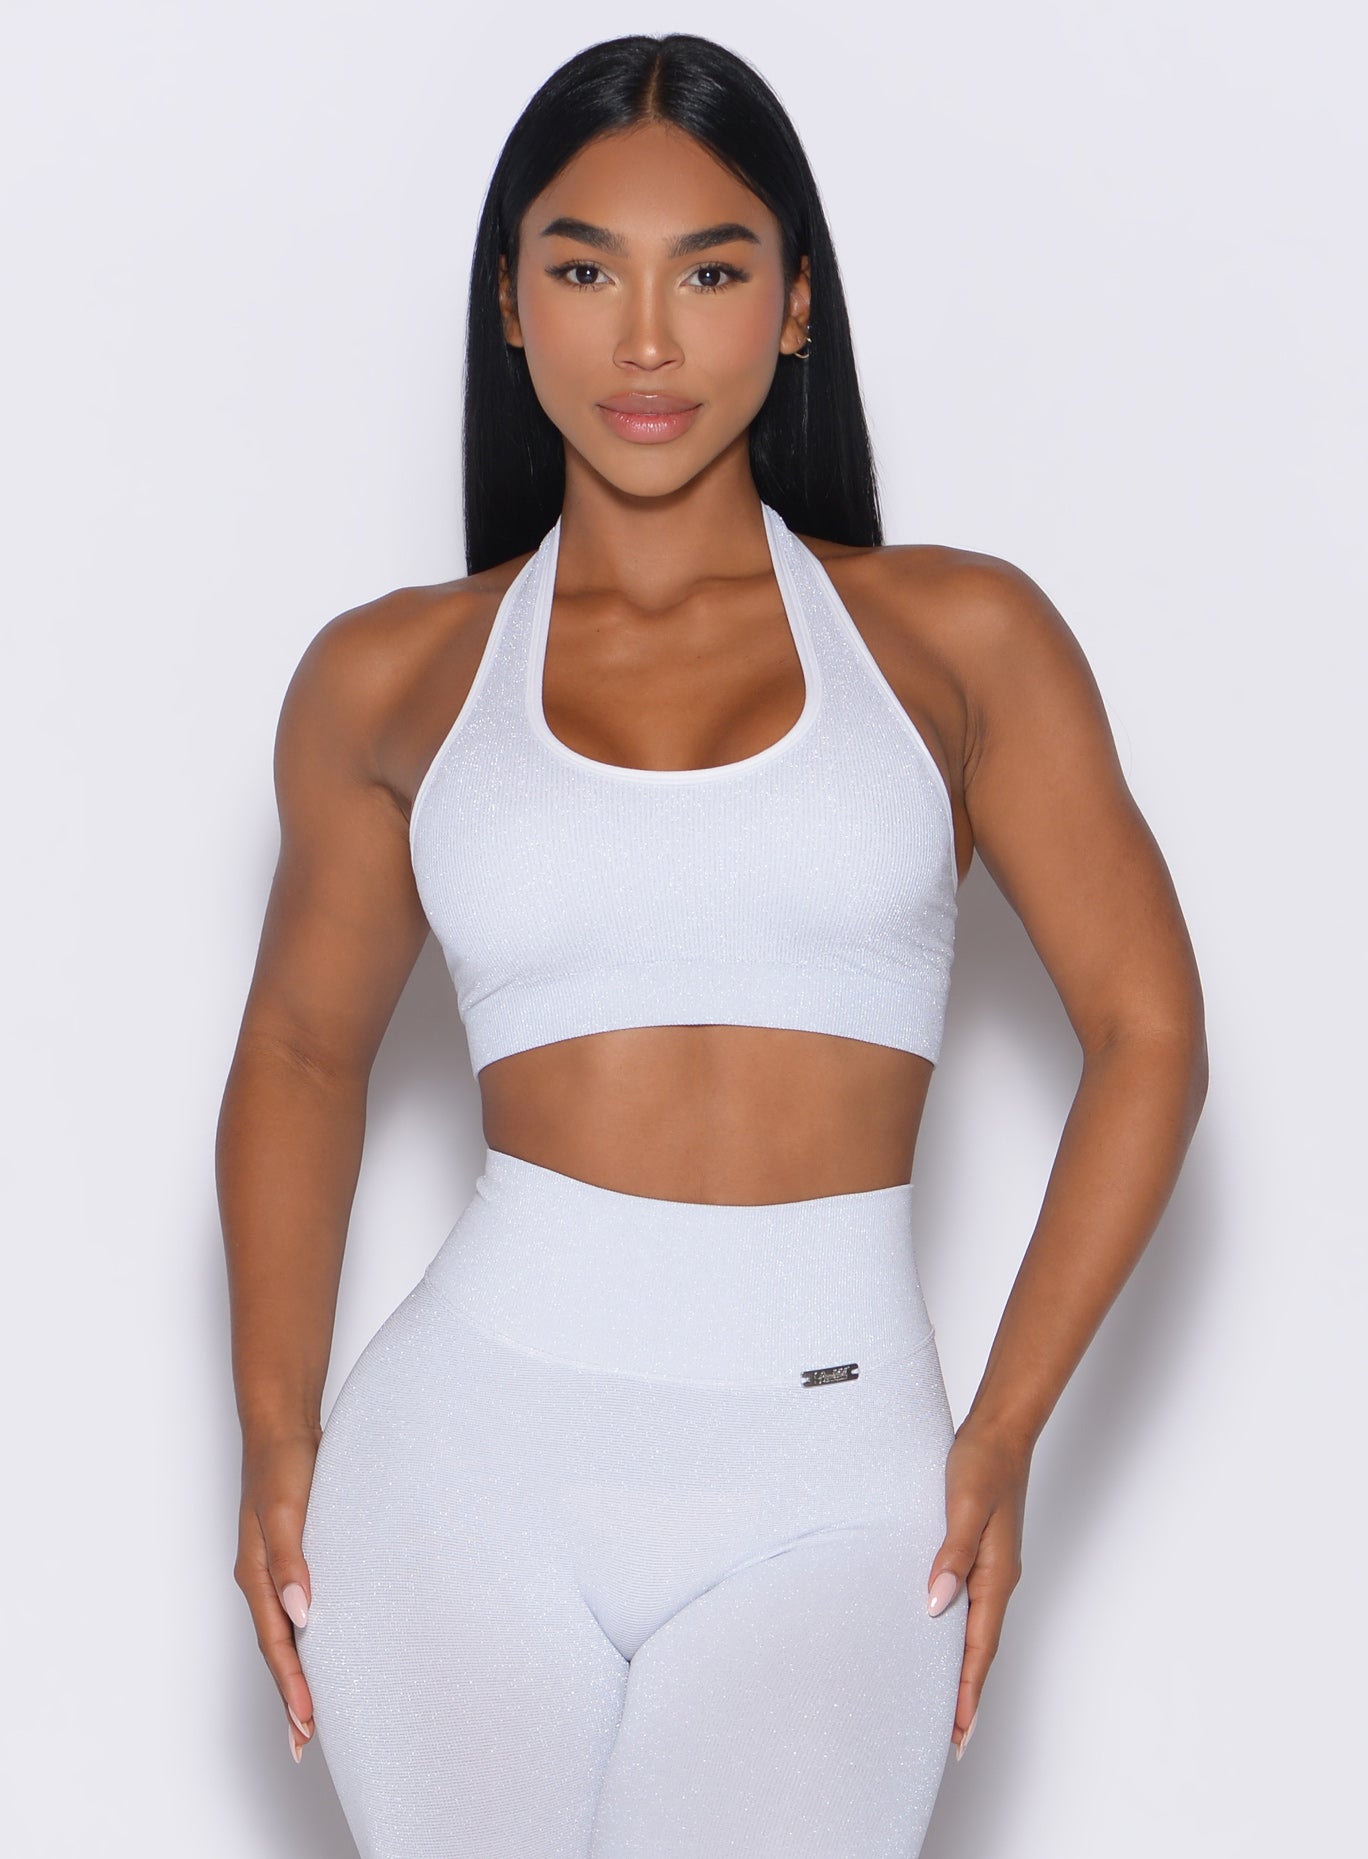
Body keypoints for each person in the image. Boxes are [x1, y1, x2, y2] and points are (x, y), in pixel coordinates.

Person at [217, 31, 1208, 1859]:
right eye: (587, 270)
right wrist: (275, 1432)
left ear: (798, 304)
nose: (649, 342)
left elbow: (1149, 1031)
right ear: (511, 305)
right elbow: (298, 1051)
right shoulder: (393, 676)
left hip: (840, 1483)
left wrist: (1002, 1433)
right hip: (458, 1474)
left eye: (714, 271)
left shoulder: (958, 641)